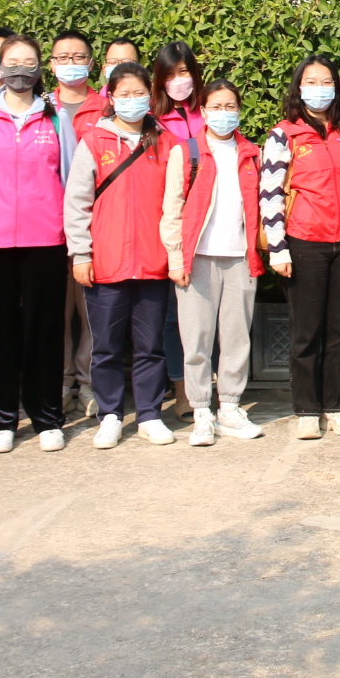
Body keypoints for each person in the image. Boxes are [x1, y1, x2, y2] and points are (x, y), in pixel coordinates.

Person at [65, 61, 187, 449]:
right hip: (106, 261)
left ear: (150, 97)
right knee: (106, 347)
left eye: (139, 93)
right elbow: (77, 202)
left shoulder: (167, 142)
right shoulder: (94, 142)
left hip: (152, 262)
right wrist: (80, 254)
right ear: (111, 97)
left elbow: (175, 204)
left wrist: (173, 255)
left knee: (150, 347)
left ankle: (149, 414)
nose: (133, 100)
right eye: (125, 94)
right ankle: (111, 415)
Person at [0, 33, 69, 453]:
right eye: (12, 62)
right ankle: (2, 418)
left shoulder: (55, 117)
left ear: (40, 68)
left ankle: (47, 417)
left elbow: (68, 177)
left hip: (45, 239)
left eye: (28, 62)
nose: (20, 70)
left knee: (44, 330)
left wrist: (65, 231)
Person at [261, 55, 340, 441]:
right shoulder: (284, 135)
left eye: (326, 82)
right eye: (310, 82)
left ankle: (336, 404)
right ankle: (306, 408)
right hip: (304, 242)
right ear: (298, 88)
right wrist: (278, 247)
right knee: (306, 331)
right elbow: (270, 193)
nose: (318, 89)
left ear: (336, 88)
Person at [178, 78, 265, 445]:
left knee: (236, 337)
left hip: (240, 257)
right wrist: (176, 258)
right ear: (202, 110)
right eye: (216, 107)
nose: (223, 113)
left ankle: (229, 405)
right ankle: (201, 410)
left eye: (230, 106)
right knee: (196, 339)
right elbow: (171, 208)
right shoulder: (188, 152)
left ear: (240, 110)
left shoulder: (252, 153)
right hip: (197, 258)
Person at [49, 30, 102, 414]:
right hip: (47, 229)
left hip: (92, 228)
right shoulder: (39, 107)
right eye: (63, 57)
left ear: (91, 63)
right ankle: (60, 381)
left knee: (91, 314)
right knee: (55, 312)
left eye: (78, 57)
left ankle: (87, 383)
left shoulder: (106, 109)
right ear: (51, 64)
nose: (71, 64)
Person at [150, 40, 204, 417]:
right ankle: (182, 389)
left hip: (208, 223)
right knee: (174, 316)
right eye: (169, 74)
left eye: (183, 72)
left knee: (207, 311)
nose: (178, 81)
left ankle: (208, 385)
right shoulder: (152, 119)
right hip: (169, 221)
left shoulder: (209, 111)